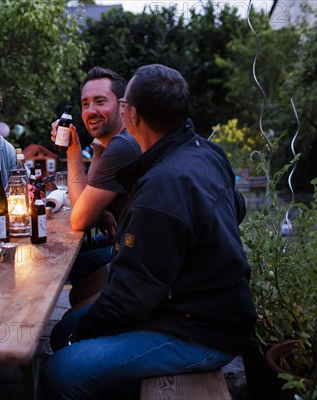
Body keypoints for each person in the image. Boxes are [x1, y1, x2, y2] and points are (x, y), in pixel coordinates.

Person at [42, 64, 256, 399]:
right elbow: (237, 208)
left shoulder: (160, 187)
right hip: (194, 301)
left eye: (122, 104)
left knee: (59, 370)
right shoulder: (204, 149)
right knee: (64, 331)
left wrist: (85, 332)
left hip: (201, 329)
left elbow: (131, 297)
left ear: (133, 115)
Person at [51, 66, 141, 305]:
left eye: (100, 101)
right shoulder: (113, 144)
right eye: (86, 103)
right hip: (127, 241)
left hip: (142, 258)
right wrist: (98, 152)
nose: (91, 110)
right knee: (78, 266)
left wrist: (73, 152)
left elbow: (81, 217)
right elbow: (89, 199)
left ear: (123, 106)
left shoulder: (123, 145)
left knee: (68, 321)